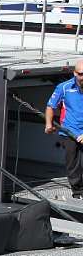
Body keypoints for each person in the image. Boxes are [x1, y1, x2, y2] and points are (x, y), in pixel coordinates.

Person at [44, 60, 83, 199]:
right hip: (69, 132)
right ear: (75, 73)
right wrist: (49, 124)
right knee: (72, 163)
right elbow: (51, 106)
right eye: (81, 74)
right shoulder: (64, 87)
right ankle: (78, 192)